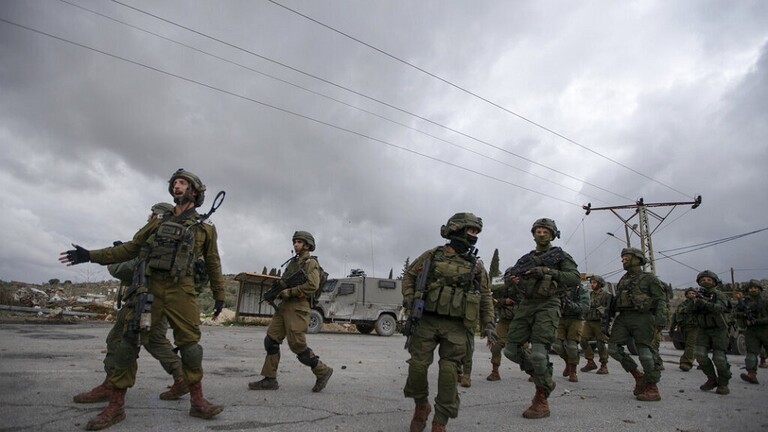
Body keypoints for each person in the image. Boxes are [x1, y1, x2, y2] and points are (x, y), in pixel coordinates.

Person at [59, 168, 226, 430]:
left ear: (194, 191)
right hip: (150, 287)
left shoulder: (206, 227)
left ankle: (197, 400)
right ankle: (116, 405)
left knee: (191, 345)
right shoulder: (157, 221)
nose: (177, 186)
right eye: (175, 183)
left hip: (182, 289)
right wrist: (90, 255)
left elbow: (213, 261)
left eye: (183, 183)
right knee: (128, 341)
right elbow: (131, 248)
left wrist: (220, 295)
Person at [72, 203, 190, 405]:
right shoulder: (175, 242)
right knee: (155, 340)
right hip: (163, 302)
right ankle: (181, 377)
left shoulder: (155, 242)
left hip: (142, 302)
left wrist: (116, 258)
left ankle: (111, 385)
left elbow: (124, 271)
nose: (149, 218)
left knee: (119, 340)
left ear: (158, 216)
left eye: (152, 215)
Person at [402, 212, 495, 432]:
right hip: (426, 319)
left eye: (476, 232)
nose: (474, 236)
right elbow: (409, 276)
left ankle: (440, 421)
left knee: (448, 373)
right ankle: (421, 406)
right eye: (471, 230)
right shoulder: (433, 255)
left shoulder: (476, 266)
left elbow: (485, 296)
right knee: (417, 367)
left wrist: (489, 324)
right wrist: (409, 297)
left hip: (457, 326)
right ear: (457, 230)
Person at [502, 218, 580, 419]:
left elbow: (574, 278)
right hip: (526, 305)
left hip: (548, 304)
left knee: (538, 354)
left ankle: (541, 398)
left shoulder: (560, 256)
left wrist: (546, 271)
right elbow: (510, 282)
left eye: (546, 231)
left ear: (553, 234)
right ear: (534, 234)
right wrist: (514, 281)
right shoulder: (525, 259)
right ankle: (544, 380)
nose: (542, 234)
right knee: (510, 350)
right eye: (538, 231)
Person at [248, 231, 333, 393]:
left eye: (299, 242)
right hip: (285, 307)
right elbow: (285, 282)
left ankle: (322, 371)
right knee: (271, 340)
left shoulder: (311, 263)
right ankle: (270, 379)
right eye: (294, 242)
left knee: (298, 346)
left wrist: (290, 292)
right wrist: (275, 293)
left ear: (307, 245)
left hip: (298, 308)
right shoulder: (293, 263)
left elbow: (312, 285)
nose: (295, 245)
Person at [605, 247, 667, 402]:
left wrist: (660, 320)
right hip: (624, 317)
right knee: (612, 349)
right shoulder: (623, 279)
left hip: (643, 318)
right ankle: (638, 376)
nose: (623, 260)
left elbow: (660, 300)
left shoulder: (649, 278)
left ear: (638, 259)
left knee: (645, 354)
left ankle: (652, 387)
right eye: (622, 258)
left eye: (626, 257)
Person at [691, 270, 732, 395]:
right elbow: (689, 311)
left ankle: (723, 383)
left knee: (719, 358)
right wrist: (693, 303)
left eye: (709, 280)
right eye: (703, 280)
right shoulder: (698, 296)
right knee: (699, 355)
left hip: (719, 329)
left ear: (715, 282)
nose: (705, 282)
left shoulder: (719, 295)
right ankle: (712, 379)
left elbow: (720, 308)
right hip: (703, 329)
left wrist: (704, 302)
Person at [553, 278, 589, 382]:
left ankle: (573, 371)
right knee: (556, 345)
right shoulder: (559, 288)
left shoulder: (579, 289)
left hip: (576, 319)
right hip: (561, 318)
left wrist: (571, 305)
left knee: (572, 347)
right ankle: (567, 362)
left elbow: (585, 306)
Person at [735, 279, 768, 384]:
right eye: (751, 288)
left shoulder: (765, 301)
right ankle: (751, 374)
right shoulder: (744, 302)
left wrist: (756, 321)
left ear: (759, 289)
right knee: (751, 353)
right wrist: (744, 315)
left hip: (765, 329)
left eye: (755, 288)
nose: (753, 290)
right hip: (751, 331)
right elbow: (735, 313)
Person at [485, 283, 519, 381]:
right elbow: (490, 299)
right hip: (504, 322)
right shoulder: (502, 289)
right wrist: (504, 301)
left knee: (524, 348)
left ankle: (533, 372)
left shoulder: (525, 288)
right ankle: (495, 372)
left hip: (519, 322)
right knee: (496, 344)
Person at [580, 275, 613, 375]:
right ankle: (590, 361)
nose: (592, 285)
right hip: (589, 321)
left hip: (600, 322)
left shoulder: (606, 295)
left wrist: (607, 320)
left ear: (600, 284)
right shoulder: (589, 294)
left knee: (600, 343)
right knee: (583, 340)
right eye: (591, 283)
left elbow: (609, 309)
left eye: (594, 283)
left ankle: (604, 365)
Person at [669, 288, 699, 372]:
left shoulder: (699, 304)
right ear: (686, 295)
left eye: (693, 293)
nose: (691, 295)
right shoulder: (682, 305)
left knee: (691, 345)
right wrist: (672, 329)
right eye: (689, 293)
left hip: (695, 327)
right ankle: (703, 362)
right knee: (691, 346)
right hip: (685, 327)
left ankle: (686, 363)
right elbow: (676, 316)